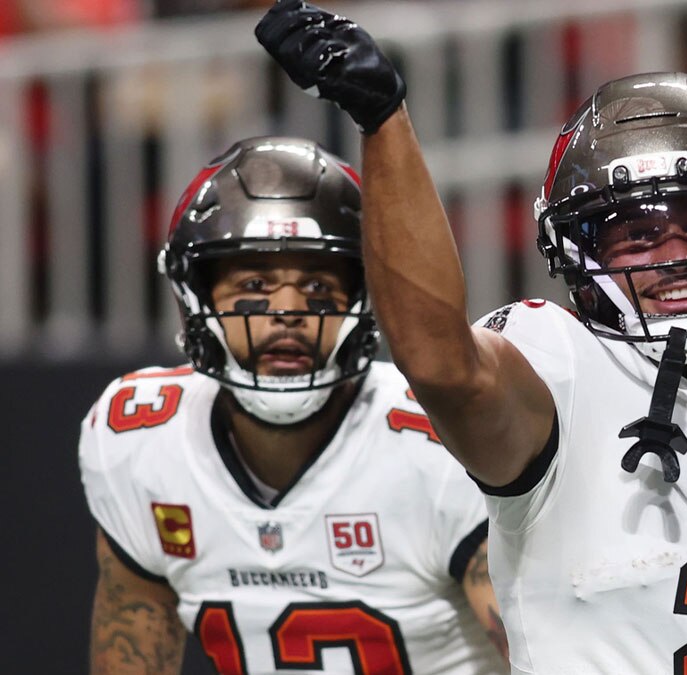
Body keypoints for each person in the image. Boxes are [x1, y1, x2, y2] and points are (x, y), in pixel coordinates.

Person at [256, 3, 687, 673]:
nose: (674, 255)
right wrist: (384, 121)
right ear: (582, 259)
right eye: (638, 235)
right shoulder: (561, 371)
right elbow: (438, 363)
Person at [79, 136, 508, 674]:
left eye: (318, 287)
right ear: (196, 296)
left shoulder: (434, 442)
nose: (288, 310)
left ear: (364, 298)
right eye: (256, 284)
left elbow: (541, 653)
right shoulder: (144, 439)